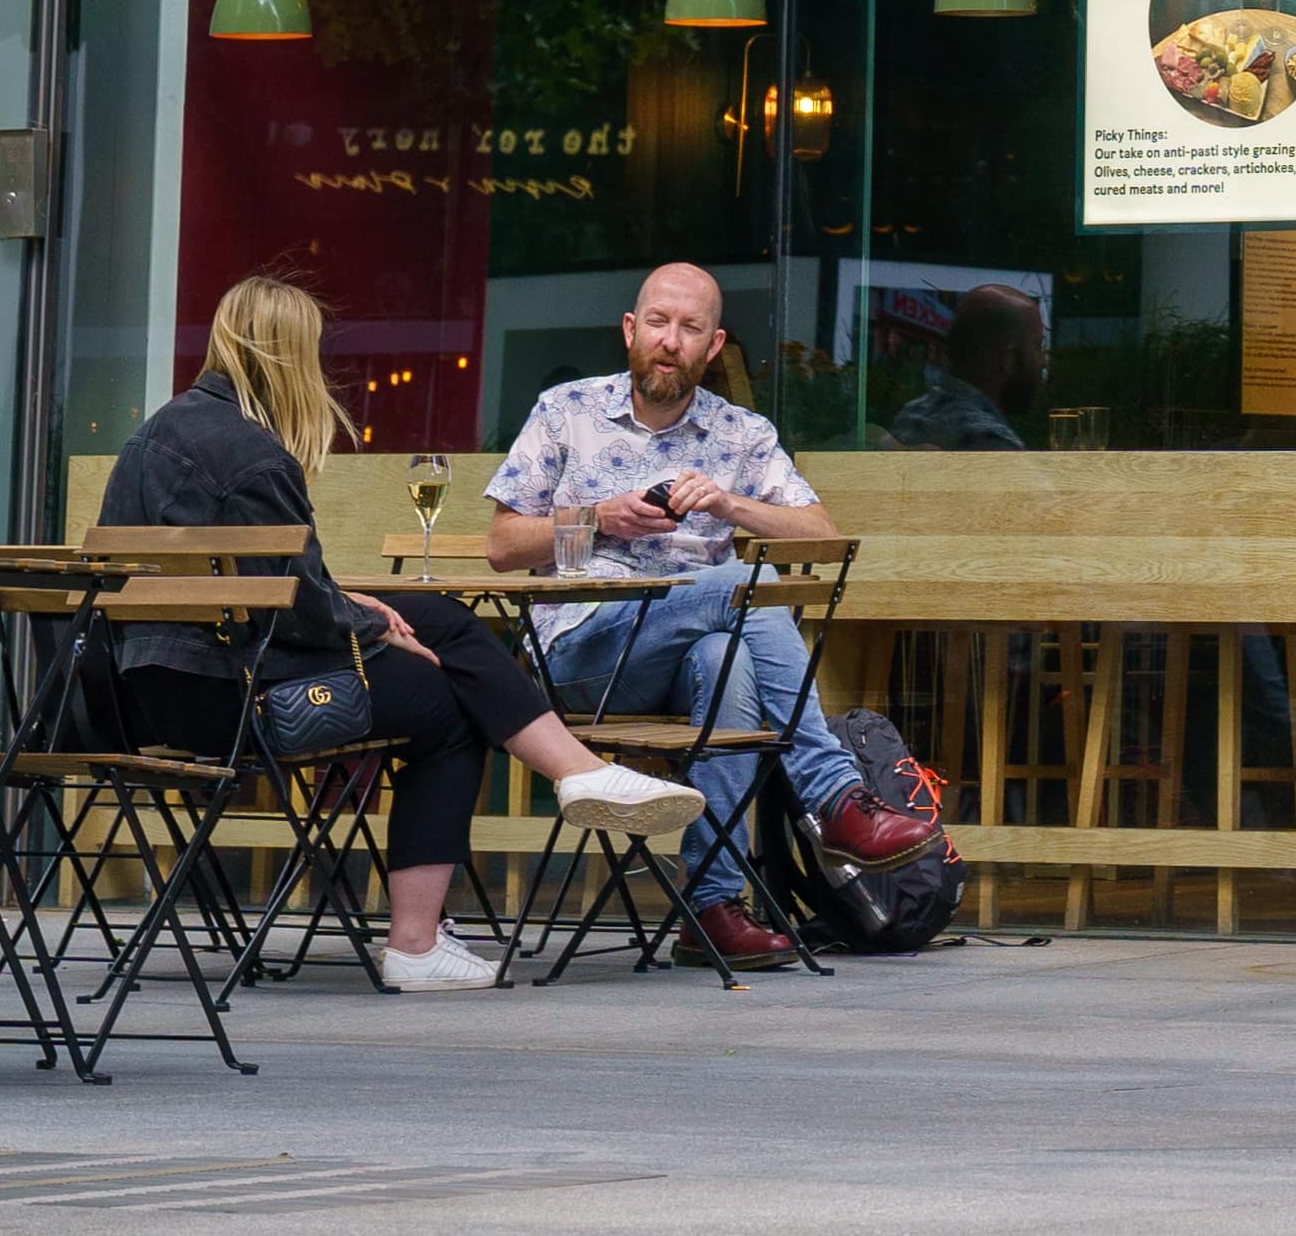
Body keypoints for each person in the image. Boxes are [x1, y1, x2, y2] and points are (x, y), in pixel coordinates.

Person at [99, 274, 704, 994]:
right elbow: (292, 609)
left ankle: (576, 771)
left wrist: (355, 605)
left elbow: (270, 585)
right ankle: (417, 941)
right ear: (291, 354)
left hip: (151, 688)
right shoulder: (254, 454)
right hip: (228, 696)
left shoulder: (157, 433)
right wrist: (364, 622)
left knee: (439, 615)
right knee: (445, 703)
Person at [486, 261, 942, 966]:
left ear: (712, 344)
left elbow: (819, 531)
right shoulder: (564, 412)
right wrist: (599, 518)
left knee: (723, 657)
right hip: (579, 656)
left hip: (684, 659)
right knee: (741, 583)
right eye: (659, 323)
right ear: (631, 330)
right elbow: (501, 546)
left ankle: (710, 907)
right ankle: (834, 796)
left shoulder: (742, 434)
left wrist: (729, 503)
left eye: (689, 328)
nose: (671, 340)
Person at [878, 281, 1047, 450]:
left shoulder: (910, 415)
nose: (1043, 361)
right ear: (1008, 359)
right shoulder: (992, 442)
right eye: (1038, 346)